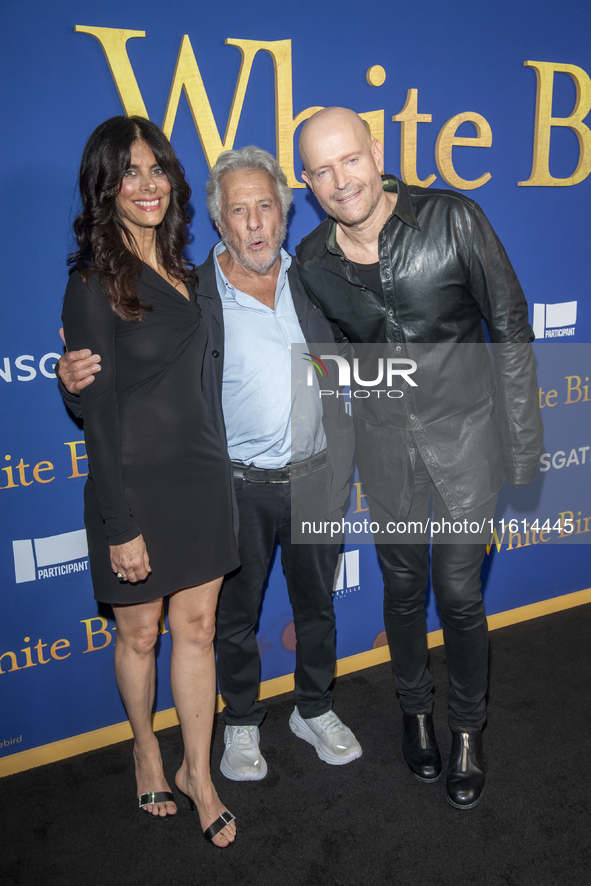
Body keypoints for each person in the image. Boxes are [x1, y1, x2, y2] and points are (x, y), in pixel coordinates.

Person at [58, 145, 361, 783]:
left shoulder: (316, 277)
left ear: (285, 214)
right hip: (234, 484)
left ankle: (315, 706)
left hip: (314, 477)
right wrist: (71, 379)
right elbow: (131, 375)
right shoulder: (189, 293)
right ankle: (243, 723)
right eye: (239, 211)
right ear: (219, 223)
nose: (254, 223)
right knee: (232, 618)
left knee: (318, 606)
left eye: (266, 208)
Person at [296, 107, 543, 809]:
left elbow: (510, 324)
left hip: (468, 441)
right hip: (384, 454)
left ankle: (466, 727)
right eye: (321, 170)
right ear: (307, 183)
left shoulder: (452, 219)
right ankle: (414, 712)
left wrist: (522, 446)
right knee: (402, 593)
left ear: (375, 153)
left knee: (459, 595)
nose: (340, 180)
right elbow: (327, 370)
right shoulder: (313, 262)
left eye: (349, 160)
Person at [61, 116, 239, 847]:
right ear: (104, 188)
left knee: (196, 631)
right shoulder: (92, 284)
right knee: (140, 637)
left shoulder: (190, 275)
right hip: (133, 490)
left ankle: (200, 772)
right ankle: (145, 750)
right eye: (128, 172)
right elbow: (95, 412)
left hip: (201, 479)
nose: (147, 184)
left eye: (156, 169)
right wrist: (117, 524)